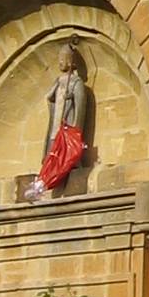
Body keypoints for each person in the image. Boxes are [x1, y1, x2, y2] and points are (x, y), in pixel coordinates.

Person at [25, 41, 88, 201]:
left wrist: (70, 98)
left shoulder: (76, 82)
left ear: (70, 61)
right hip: (56, 121)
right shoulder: (59, 81)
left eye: (63, 58)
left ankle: (71, 165)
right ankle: (45, 179)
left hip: (68, 124)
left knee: (66, 149)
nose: (60, 62)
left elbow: (80, 107)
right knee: (52, 150)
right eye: (59, 59)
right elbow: (49, 96)